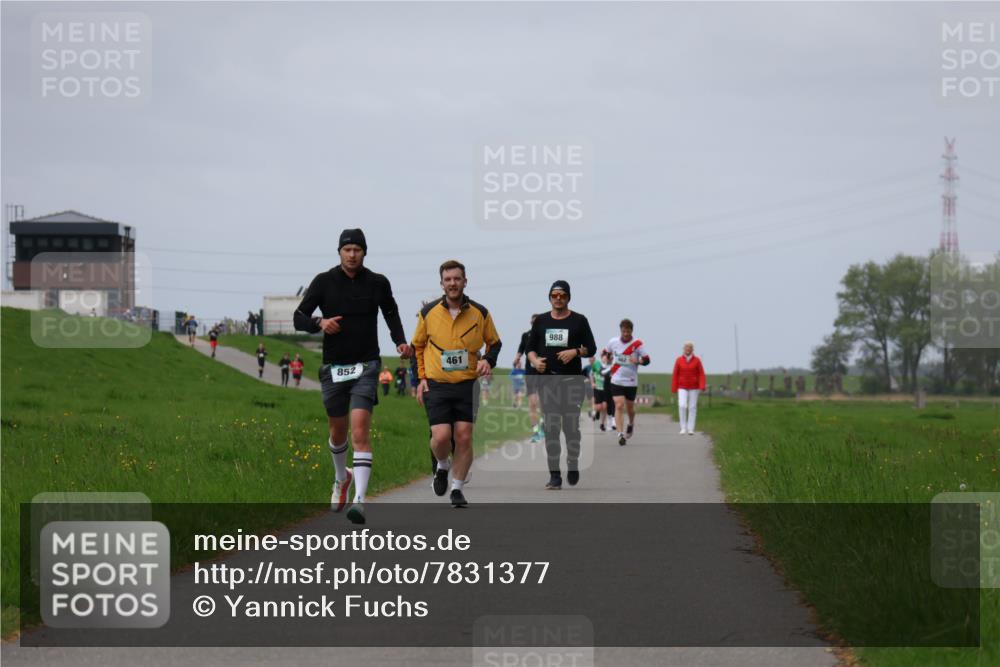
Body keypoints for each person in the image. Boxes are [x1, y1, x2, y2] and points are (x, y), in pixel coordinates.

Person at [294, 228, 410, 524]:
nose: (352, 254)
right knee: (337, 432)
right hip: (334, 366)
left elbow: (391, 312)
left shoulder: (377, 282)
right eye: (347, 250)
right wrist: (320, 323)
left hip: (367, 365)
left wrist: (399, 340)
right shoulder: (323, 281)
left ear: (364, 252)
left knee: (360, 430)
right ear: (340, 252)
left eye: (357, 249)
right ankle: (340, 477)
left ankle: (360, 500)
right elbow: (299, 317)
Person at [413, 260, 501, 508]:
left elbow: (494, 342)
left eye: (457, 279)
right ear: (442, 283)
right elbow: (417, 347)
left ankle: (457, 489)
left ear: (465, 281)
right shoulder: (428, 313)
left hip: (467, 385)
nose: (453, 283)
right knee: (441, 437)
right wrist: (420, 379)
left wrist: (488, 360)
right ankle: (442, 465)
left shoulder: (480, 312)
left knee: (463, 437)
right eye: (448, 279)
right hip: (437, 384)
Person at [525, 281, 596, 490]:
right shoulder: (541, 321)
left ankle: (572, 462)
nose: (558, 298)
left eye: (562, 295)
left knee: (571, 428)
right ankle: (554, 475)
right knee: (552, 428)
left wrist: (575, 351)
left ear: (568, 298)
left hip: (572, 382)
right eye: (554, 295)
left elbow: (591, 348)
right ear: (549, 297)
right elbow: (530, 349)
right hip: (548, 382)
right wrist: (535, 361)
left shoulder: (579, 321)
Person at [605, 318, 651, 446]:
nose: (626, 334)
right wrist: (605, 357)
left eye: (628, 332)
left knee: (630, 408)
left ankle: (631, 423)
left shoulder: (637, 344)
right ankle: (620, 434)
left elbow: (647, 360)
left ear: (632, 331)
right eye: (624, 331)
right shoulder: (613, 342)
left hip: (631, 381)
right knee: (619, 405)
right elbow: (605, 352)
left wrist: (638, 361)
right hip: (616, 379)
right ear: (621, 330)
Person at [513, 314, 543, 442]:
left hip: (543, 373)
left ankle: (544, 426)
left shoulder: (546, 337)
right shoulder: (526, 335)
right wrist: (517, 357)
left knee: (544, 403)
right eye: (533, 322)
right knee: (532, 403)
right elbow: (521, 347)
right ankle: (536, 431)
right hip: (530, 372)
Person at [672, 341, 706, 435]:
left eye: (690, 348)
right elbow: (675, 374)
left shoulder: (697, 360)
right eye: (686, 347)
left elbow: (701, 374)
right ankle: (683, 427)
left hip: (694, 387)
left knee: (692, 407)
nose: (688, 349)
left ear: (692, 349)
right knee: (682, 405)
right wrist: (674, 387)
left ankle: (690, 428)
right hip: (682, 386)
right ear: (684, 349)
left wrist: (702, 385)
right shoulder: (679, 360)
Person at [590, 352, 610, 431]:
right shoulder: (597, 364)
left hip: (605, 389)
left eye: (606, 358)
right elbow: (591, 374)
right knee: (599, 407)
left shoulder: (609, 367)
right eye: (603, 357)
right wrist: (592, 383)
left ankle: (602, 424)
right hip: (597, 388)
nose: (605, 359)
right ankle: (595, 412)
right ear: (601, 358)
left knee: (605, 406)